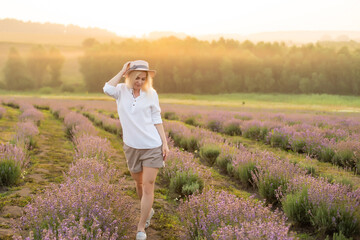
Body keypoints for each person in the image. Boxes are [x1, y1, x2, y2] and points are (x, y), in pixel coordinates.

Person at [103, 60, 169, 240]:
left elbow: (157, 118)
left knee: (148, 185)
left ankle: (141, 227)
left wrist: (164, 143)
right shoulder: (121, 92)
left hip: (151, 146)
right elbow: (106, 88)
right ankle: (149, 210)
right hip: (131, 147)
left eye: (143, 78)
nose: (139, 81)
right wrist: (121, 70)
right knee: (138, 183)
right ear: (129, 76)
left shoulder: (151, 94)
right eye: (136, 77)